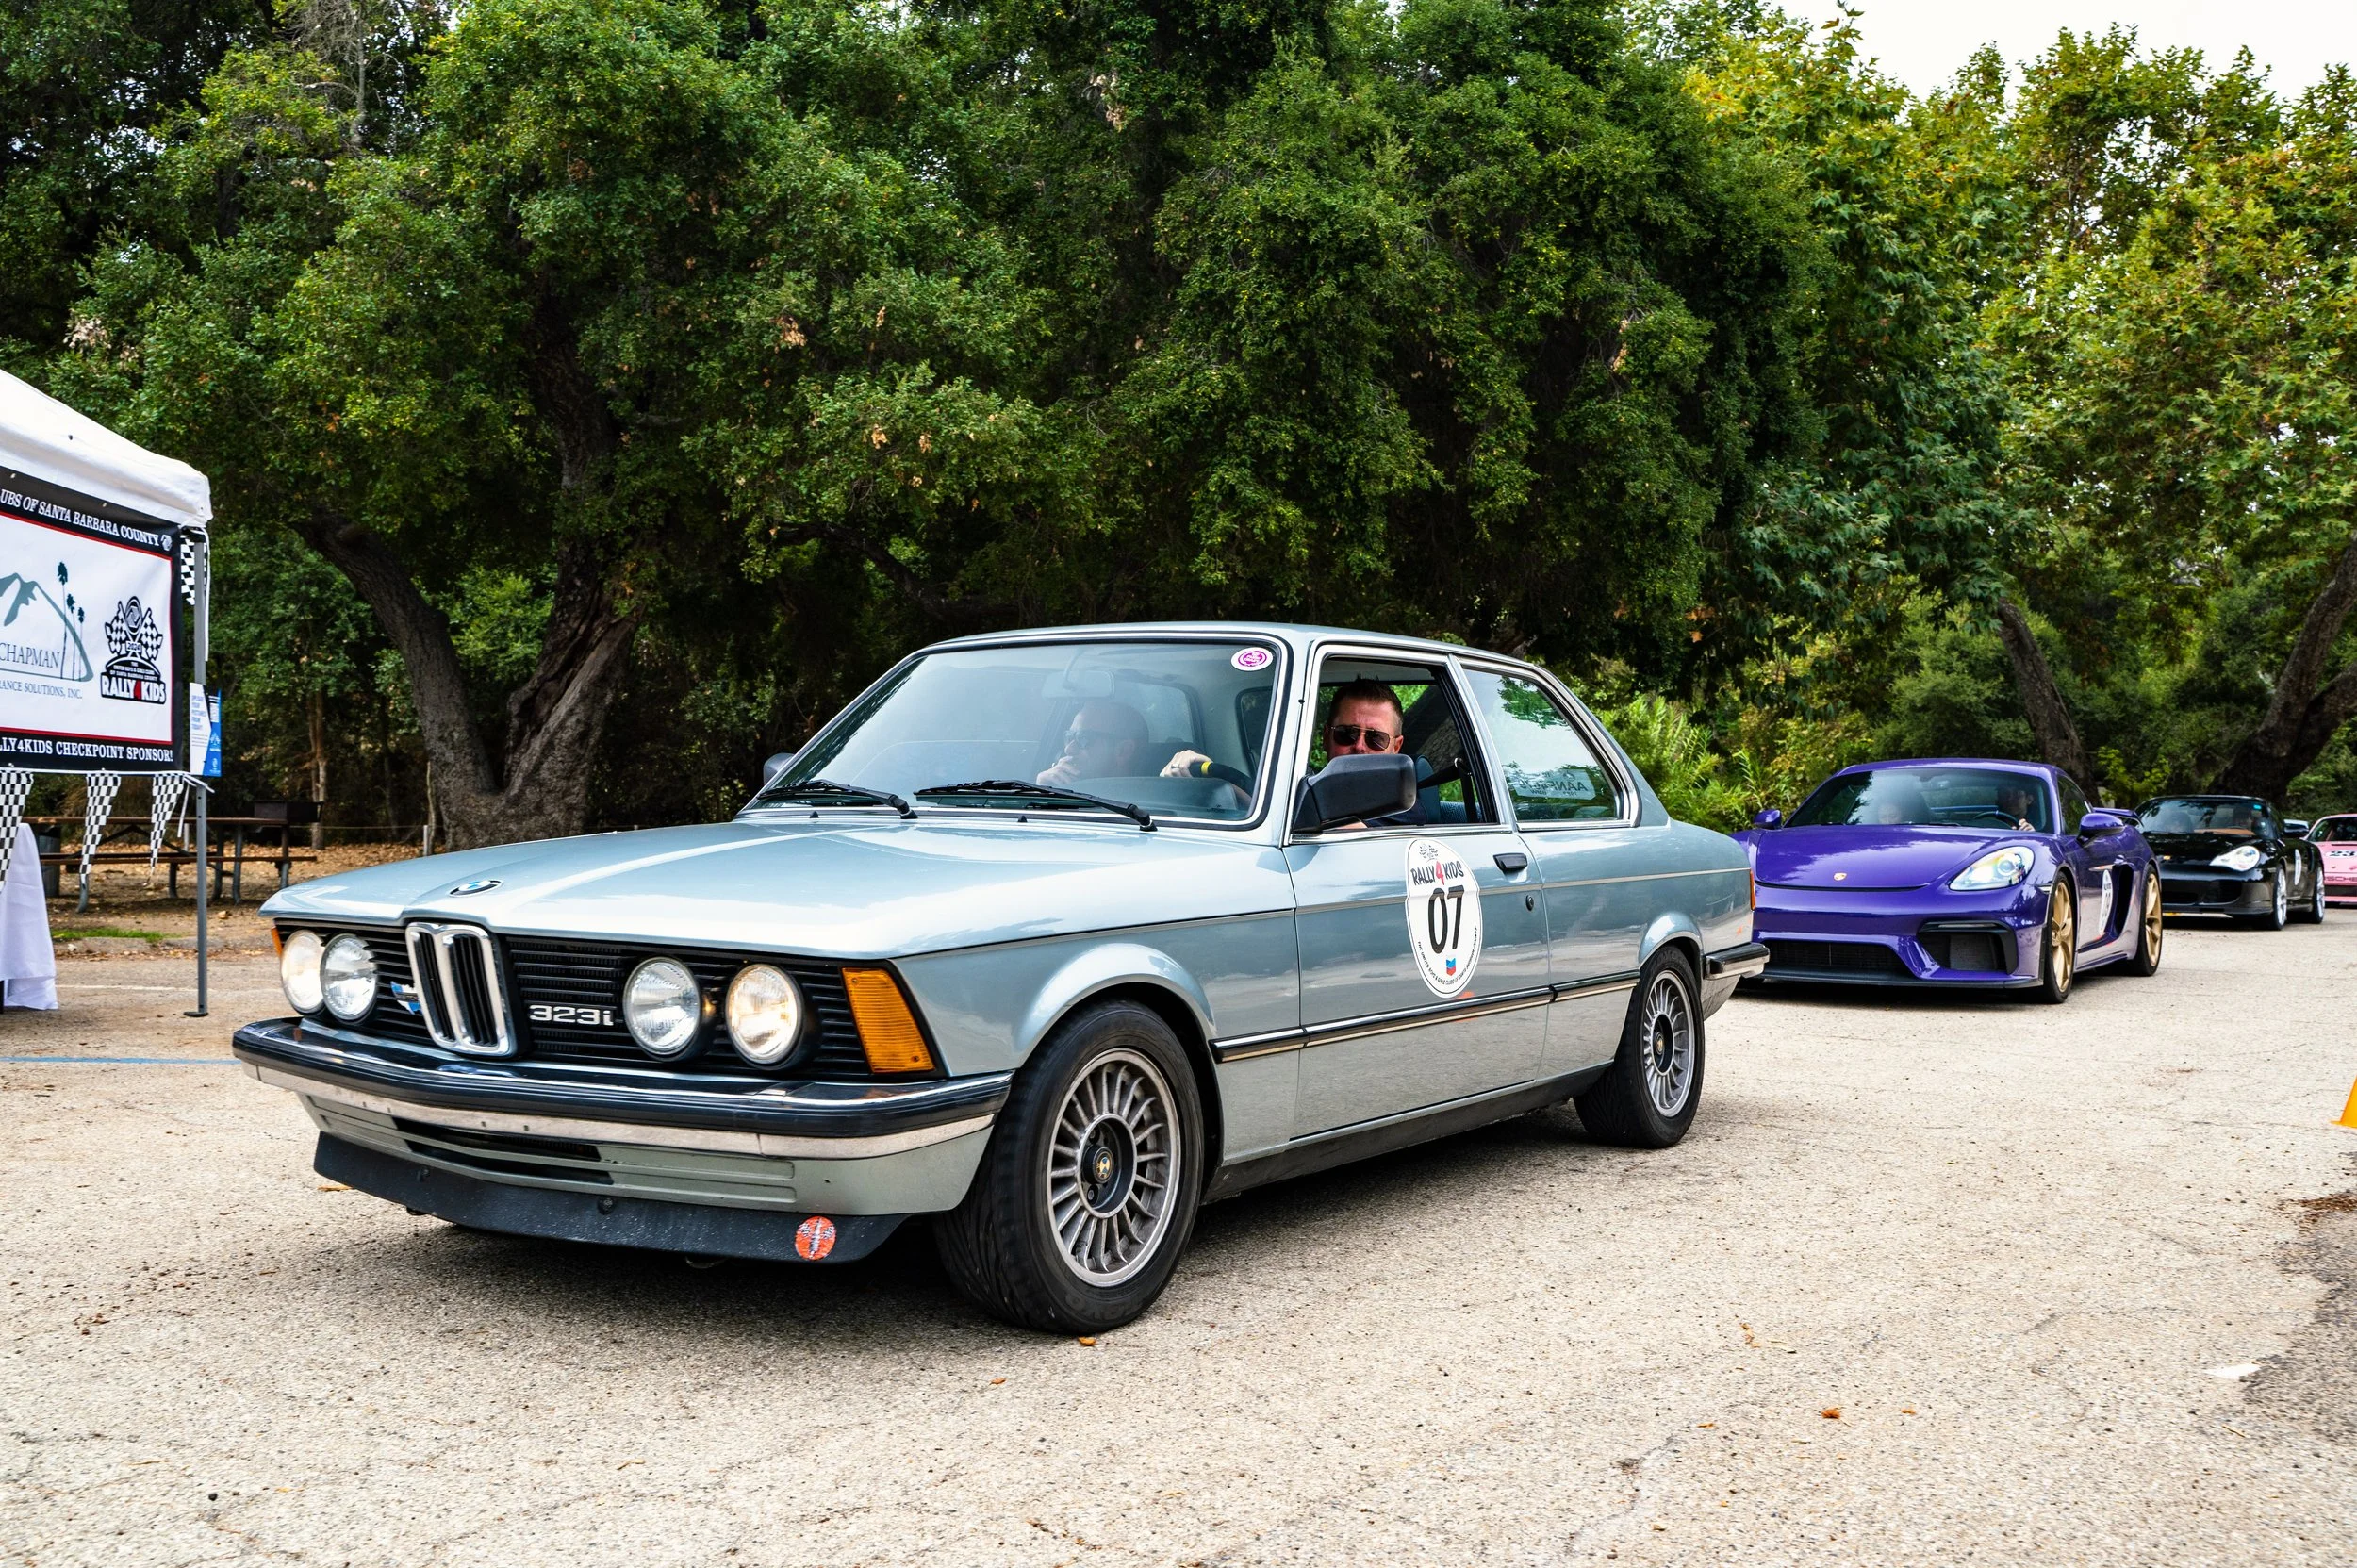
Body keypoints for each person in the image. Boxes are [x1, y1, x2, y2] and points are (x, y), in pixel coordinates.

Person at [1037, 701, 1150, 787]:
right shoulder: (1060, 791)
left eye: (1083, 738)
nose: (1068, 749)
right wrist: (1041, 791)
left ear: (1123, 751)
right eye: (1068, 737)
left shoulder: (1150, 809)